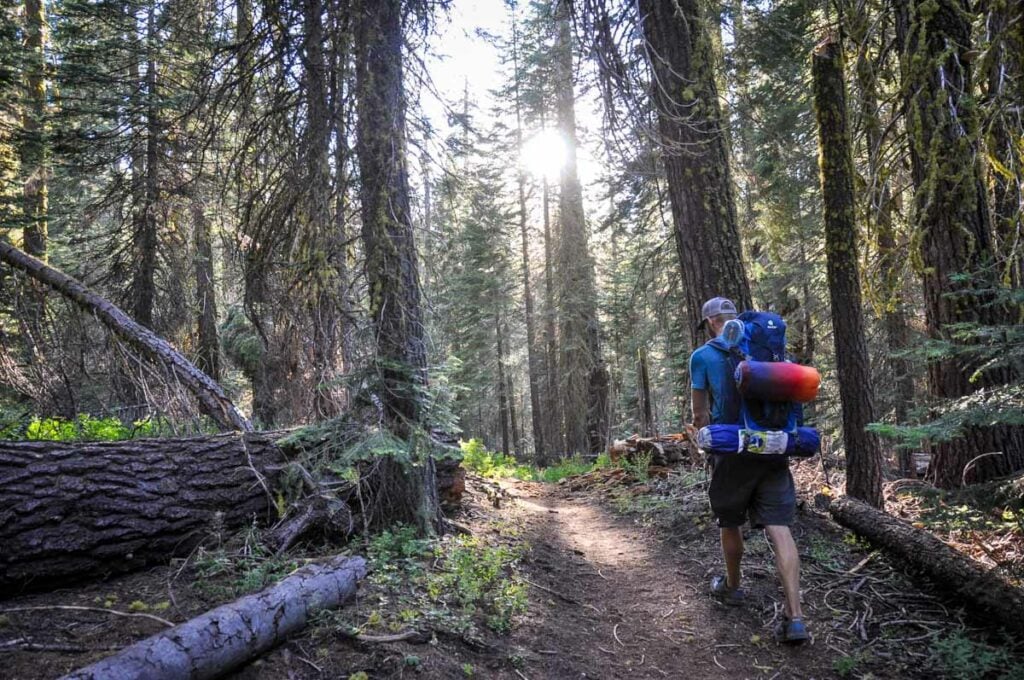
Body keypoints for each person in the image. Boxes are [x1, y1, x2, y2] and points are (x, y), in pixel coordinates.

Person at [689, 296, 809, 645]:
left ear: (711, 322)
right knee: (779, 528)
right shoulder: (769, 353)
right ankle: (796, 617)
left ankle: (733, 586)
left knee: (730, 521)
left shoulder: (704, 356)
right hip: (774, 449)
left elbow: (700, 414)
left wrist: (704, 439)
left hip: (733, 451)